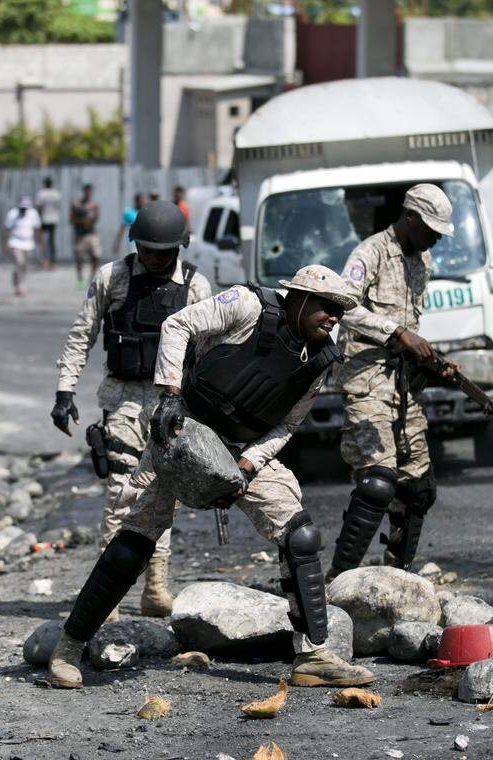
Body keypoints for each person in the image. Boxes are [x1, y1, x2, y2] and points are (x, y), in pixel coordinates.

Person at [48, 265, 375, 690]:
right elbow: (177, 323)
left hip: (241, 449)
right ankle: (68, 648)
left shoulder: (320, 360)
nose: (333, 317)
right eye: (327, 306)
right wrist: (169, 395)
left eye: (340, 311)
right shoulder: (247, 305)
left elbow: (286, 426)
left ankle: (312, 655)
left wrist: (248, 467)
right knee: (135, 540)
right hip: (185, 430)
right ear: (299, 298)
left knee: (300, 535)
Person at [52, 201, 211, 622]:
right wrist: (65, 391)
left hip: (171, 404)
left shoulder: (196, 286)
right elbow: (81, 334)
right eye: (148, 249)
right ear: (135, 243)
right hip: (122, 399)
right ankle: (110, 595)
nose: (156, 258)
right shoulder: (113, 277)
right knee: (121, 493)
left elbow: (212, 350)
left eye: (164, 251)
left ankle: (156, 586)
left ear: (180, 247)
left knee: (162, 497)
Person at [325, 184, 456, 581]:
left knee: (419, 488)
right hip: (365, 381)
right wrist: (396, 333)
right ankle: (339, 579)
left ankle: (398, 575)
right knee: (377, 482)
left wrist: (431, 364)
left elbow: (412, 325)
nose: (435, 237)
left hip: (403, 385)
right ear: (410, 217)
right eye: (431, 228)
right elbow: (342, 306)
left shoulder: (424, 259)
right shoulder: (370, 254)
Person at [3, 196, 42, 297]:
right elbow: (7, 229)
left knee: (24, 265)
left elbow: (37, 229)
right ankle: (20, 286)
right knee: (19, 262)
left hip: (28, 243)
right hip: (15, 242)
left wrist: (40, 243)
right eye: (22, 208)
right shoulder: (12, 214)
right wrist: (5, 244)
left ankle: (20, 282)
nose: (23, 210)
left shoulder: (33, 214)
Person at [71, 183, 102, 286]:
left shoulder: (94, 204)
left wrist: (92, 216)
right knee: (79, 258)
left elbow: (96, 217)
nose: (88, 193)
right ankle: (80, 279)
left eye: (90, 191)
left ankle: (92, 277)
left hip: (91, 233)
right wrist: (83, 220)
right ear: (84, 192)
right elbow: (72, 219)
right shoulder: (77, 204)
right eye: (87, 191)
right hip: (80, 234)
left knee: (96, 255)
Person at [35, 177, 62, 269]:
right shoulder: (56, 193)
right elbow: (58, 206)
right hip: (53, 219)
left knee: (42, 241)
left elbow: (38, 207)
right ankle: (53, 262)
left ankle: (44, 260)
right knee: (51, 241)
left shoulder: (41, 193)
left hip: (43, 219)